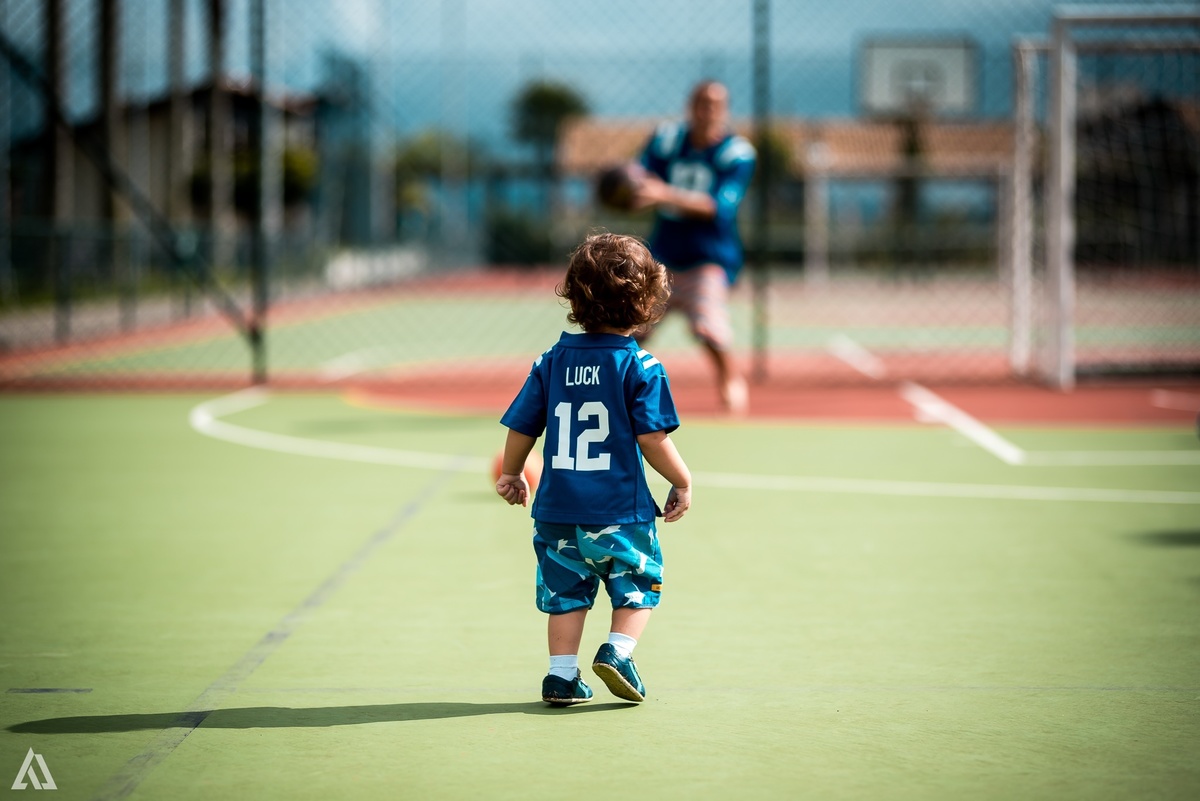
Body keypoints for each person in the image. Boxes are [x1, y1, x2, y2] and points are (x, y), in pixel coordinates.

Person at [496, 232, 693, 706]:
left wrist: (512, 471)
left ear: (574, 298)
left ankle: (560, 676)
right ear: (647, 301)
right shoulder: (641, 366)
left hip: (557, 511)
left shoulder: (551, 360)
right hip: (619, 512)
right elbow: (652, 439)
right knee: (638, 583)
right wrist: (682, 480)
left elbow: (524, 425)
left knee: (566, 593)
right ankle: (618, 652)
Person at [629, 79, 757, 414]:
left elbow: (718, 206)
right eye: (701, 103)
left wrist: (664, 194)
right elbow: (639, 177)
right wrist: (625, 188)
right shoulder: (666, 141)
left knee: (708, 328)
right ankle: (620, 386)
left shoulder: (737, 153)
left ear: (725, 109)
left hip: (708, 258)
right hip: (664, 255)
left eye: (715, 104)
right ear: (690, 106)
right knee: (637, 326)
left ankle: (730, 379)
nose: (707, 111)